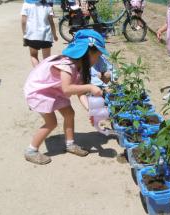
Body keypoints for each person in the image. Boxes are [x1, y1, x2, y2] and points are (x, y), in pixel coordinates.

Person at [23, 29, 109, 165]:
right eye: (97, 56)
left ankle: (70, 144)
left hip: (53, 90)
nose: (98, 60)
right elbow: (67, 89)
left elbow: (80, 93)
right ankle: (31, 150)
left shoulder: (81, 67)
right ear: (88, 52)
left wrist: (91, 110)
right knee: (51, 123)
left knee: (69, 113)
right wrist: (90, 87)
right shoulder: (67, 65)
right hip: (40, 90)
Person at [21, 0, 58, 67]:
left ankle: (38, 73)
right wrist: (54, 35)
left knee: (33, 56)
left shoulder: (26, 4)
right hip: (46, 36)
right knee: (47, 59)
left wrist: (24, 35)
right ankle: (45, 74)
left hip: (32, 35)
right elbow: (51, 23)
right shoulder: (47, 6)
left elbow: (23, 22)